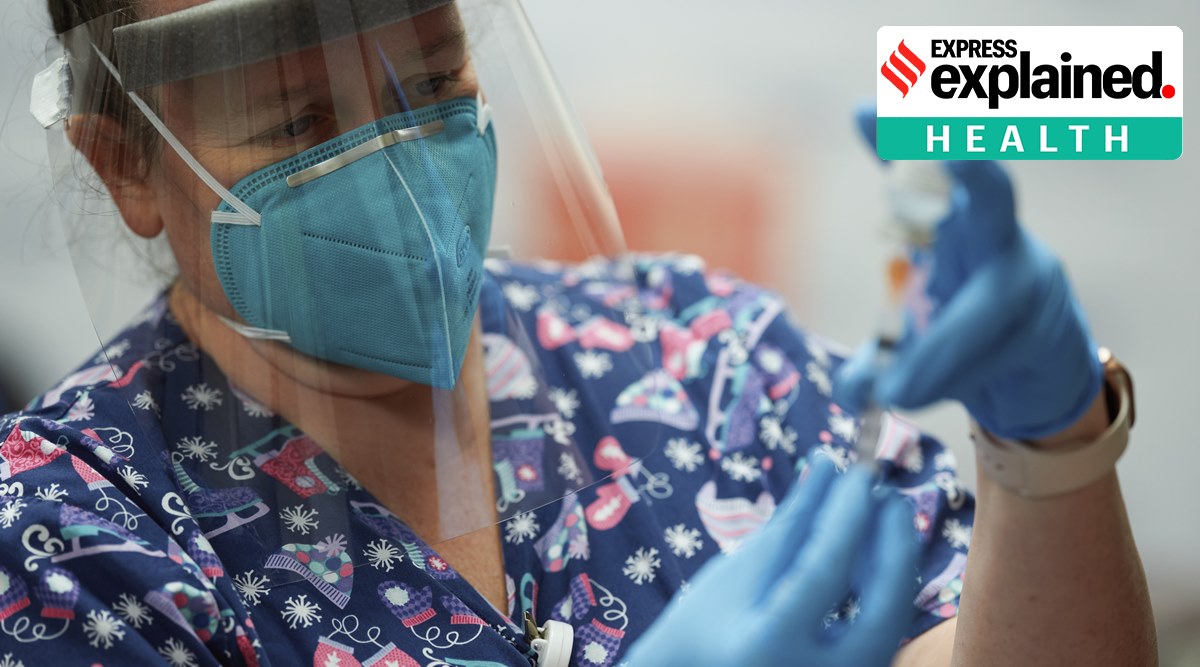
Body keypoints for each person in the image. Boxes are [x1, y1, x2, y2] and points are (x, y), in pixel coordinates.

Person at [0, 1, 1153, 666]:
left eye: (434, 73)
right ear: (125, 165)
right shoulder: (74, 540)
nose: (400, 173)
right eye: (302, 122)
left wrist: (1051, 455)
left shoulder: (699, 360)